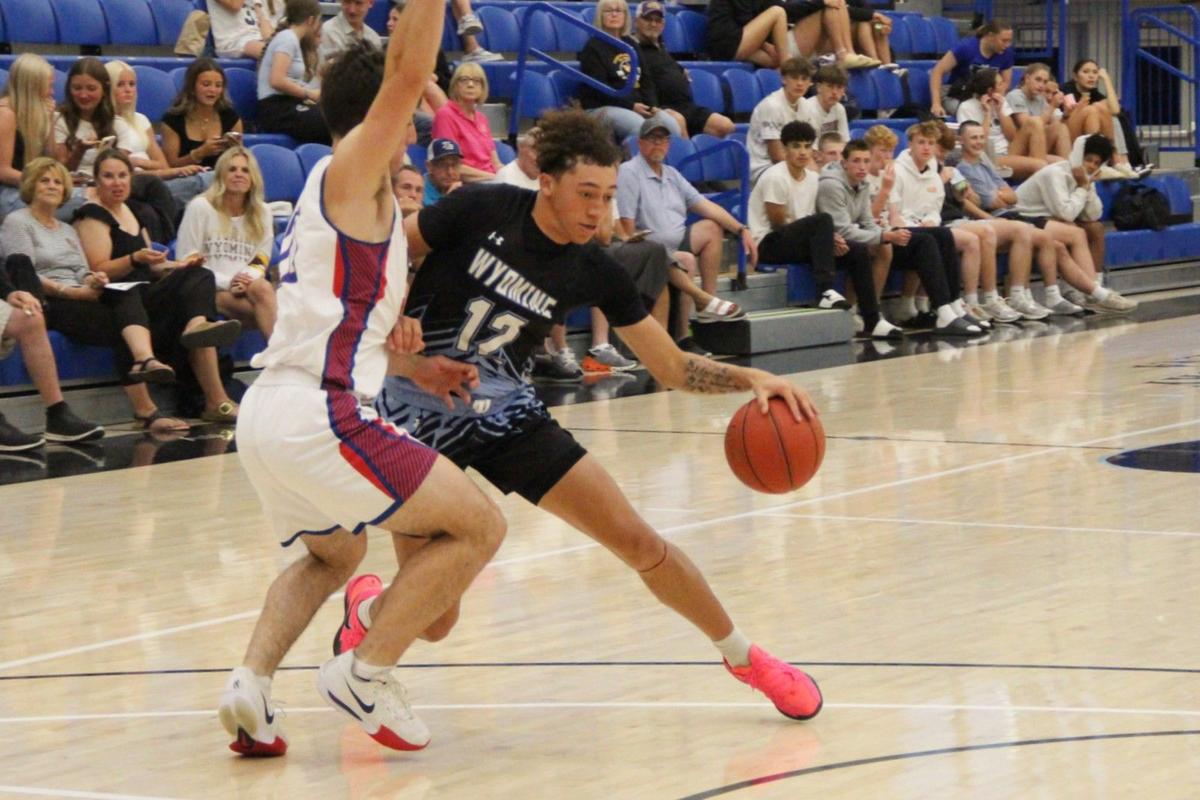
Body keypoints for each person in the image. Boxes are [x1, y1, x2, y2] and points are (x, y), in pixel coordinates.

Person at [361, 108, 823, 729]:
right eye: (586, 194)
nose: (598, 210)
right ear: (547, 182)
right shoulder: (482, 207)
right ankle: (369, 613)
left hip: (505, 414)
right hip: (415, 413)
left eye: (607, 196)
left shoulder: (593, 266)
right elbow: (381, 250)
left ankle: (747, 659)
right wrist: (389, 314)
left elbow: (670, 366)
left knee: (639, 541)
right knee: (437, 624)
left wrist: (752, 379)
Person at [217, 0, 507, 753]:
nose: (416, 124)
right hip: (321, 414)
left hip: (273, 412)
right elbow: (408, 72)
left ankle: (250, 685)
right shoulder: (353, 169)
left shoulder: (341, 190)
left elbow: (335, 321)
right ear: (382, 111)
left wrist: (412, 364)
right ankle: (365, 671)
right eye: (405, 110)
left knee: (334, 555)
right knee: (480, 526)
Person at [2, 157, 190, 432]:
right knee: (121, 324)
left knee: (125, 294)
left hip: (80, 293)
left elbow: (82, 270)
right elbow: (23, 273)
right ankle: (146, 409)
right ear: (30, 185)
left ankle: (144, 360)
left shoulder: (66, 229)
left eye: (57, 181)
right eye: (44, 180)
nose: (52, 186)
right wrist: (71, 292)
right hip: (48, 299)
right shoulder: (18, 222)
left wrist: (94, 279)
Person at [73, 150, 244, 424]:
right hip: (115, 296)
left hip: (144, 288)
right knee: (139, 294)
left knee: (200, 275)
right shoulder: (91, 215)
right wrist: (134, 258)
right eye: (108, 176)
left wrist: (178, 266)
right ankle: (193, 392)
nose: (117, 182)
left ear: (131, 178)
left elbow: (152, 265)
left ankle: (197, 330)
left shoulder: (134, 210)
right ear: (96, 181)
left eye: (122, 175)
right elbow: (99, 268)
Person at [750, 121, 899, 336]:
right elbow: (779, 224)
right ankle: (825, 291)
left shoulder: (813, 178)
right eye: (796, 146)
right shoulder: (775, 176)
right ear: (784, 149)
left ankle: (872, 319)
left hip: (803, 241)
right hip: (769, 244)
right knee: (823, 220)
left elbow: (814, 224)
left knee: (857, 250)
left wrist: (830, 238)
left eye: (807, 146)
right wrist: (825, 236)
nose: (802, 152)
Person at [618, 119, 750, 323]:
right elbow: (626, 226)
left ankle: (707, 306)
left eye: (663, 139)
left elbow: (706, 206)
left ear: (668, 144)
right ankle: (683, 331)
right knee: (684, 259)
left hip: (677, 239)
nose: (658, 144)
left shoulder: (672, 174)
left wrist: (741, 230)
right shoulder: (629, 171)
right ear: (640, 143)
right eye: (652, 139)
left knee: (711, 227)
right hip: (650, 246)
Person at [956, 120, 1076, 318]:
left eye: (981, 137)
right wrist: (999, 200)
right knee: (1031, 234)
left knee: (1056, 239)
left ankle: (1048, 295)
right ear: (961, 140)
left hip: (1009, 213)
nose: (979, 142)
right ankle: (1016, 297)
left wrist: (1002, 196)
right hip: (995, 218)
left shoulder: (984, 162)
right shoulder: (963, 168)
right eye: (973, 138)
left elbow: (1013, 196)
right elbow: (991, 201)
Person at [1013, 134, 1137, 314]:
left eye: (1096, 163)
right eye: (1088, 160)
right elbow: (1066, 213)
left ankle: (1093, 289)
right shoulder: (1054, 174)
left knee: (1094, 228)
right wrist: (1083, 188)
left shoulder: (1084, 178)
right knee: (1075, 233)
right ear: (1079, 157)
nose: (1091, 166)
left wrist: (1087, 186)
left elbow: (1093, 215)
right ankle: (1096, 293)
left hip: (1048, 218)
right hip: (1022, 217)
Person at [886, 122, 985, 335]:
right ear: (910, 144)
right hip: (898, 232)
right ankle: (942, 310)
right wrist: (918, 225)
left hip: (921, 229)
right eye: (921, 142)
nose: (926, 147)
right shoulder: (897, 170)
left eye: (931, 143)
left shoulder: (932, 169)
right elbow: (894, 215)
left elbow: (934, 207)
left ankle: (954, 303)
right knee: (929, 240)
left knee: (943, 234)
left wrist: (931, 220)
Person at [176, 147, 277, 338]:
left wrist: (246, 280)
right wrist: (229, 283)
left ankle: (278, 352)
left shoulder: (263, 211)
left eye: (245, 170)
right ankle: (281, 353)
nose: (239, 174)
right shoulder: (200, 207)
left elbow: (261, 257)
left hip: (247, 286)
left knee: (263, 287)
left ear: (253, 177)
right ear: (221, 175)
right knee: (272, 312)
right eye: (232, 169)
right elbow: (187, 258)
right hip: (209, 289)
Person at [105, 61, 212, 210]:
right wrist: (175, 171)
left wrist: (139, 162)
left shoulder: (141, 120)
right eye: (120, 84)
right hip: (134, 187)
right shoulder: (104, 124)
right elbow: (121, 173)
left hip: (157, 181)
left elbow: (162, 165)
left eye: (132, 84)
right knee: (207, 182)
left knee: (211, 179)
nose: (128, 90)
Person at [579, 0, 683, 143]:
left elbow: (646, 80)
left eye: (618, 11)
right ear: (600, 16)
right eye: (609, 11)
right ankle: (630, 157)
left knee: (671, 125)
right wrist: (631, 106)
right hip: (601, 107)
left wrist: (652, 106)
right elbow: (599, 89)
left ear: (625, 16)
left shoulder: (631, 43)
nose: (614, 14)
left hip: (635, 106)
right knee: (640, 126)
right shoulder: (593, 47)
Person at [633, 1, 735, 139]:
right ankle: (688, 152)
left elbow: (661, 66)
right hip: (661, 107)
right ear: (636, 21)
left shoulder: (661, 47)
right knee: (678, 121)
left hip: (686, 106)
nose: (653, 24)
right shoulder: (632, 48)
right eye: (648, 19)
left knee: (726, 126)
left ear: (663, 24)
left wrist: (678, 70)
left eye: (657, 20)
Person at [956, 68, 1054, 181]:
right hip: (990, 156)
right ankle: (1037, 177)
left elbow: (1012, 136)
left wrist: (1000, 112)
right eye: (1000, 84)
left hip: (1009, 150)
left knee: (1060, 163)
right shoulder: (966, 107)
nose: (1005, 86)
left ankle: (1037, 171)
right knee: (1041, 165)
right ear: (990, 90)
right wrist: (987, 113)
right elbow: (980, 142)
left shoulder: (1001, 102)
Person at [257, 0, 331, 145]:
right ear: (311, 20)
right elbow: (277, 80)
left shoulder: (291, 39)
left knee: (336, 116)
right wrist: (309, 94)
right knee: (329, 123)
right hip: (276, 108)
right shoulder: (287, 38)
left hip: (288, 103)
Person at [1061, 58, 1146, 177]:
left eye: (1095, 72)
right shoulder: (1066, 90)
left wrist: (1106, 79)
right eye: (1085, 72)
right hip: (1066, 134)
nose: (1091, 76)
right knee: (1093, 109)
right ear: (1075, 76)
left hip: (1088, 136)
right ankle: (1103, 162)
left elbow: (1115, 110)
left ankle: (1119, 161)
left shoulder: (1094, 93)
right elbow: (1068, 116)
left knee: (1108, 111)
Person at [0, 54, 57, 223]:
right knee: (86, 201)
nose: (52, 92)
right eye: (49, 86)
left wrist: (49, 120)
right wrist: (43, 183)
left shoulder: (31, 111)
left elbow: (51, 158)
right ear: (33, 86)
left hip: (26, 189)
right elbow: (2, 171)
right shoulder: (5, 114)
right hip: (7, 194)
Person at [162, 59, 245, 172]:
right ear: (192, 88)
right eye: (206, 84)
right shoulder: (173, 120)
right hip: (186, 179)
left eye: (218, 85)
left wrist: (235, 151)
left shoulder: (231, 118)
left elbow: (239, 163)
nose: (212, 90)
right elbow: (170, 166)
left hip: (221, 178)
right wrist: (199, 153)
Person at [747, 57, 816, 184]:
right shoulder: (772, 106)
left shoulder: (806, 106)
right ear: (783, 79)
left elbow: (809, 148)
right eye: (794, 78)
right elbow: (777, 156)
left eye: (804, 79)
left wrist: (816, 174)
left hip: (793, 163)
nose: (799, 83)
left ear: (810, 82)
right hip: (763, 167)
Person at [930, 20, 1014, 118]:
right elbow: (937, 71)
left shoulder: (1006, 53)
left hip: (986, 96)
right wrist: (936, 103)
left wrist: (996, 99)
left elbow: (1005, 82)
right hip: (957, 95)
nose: (1007, 45)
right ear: (990, 35)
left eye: (1009, 41)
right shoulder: (965, 48)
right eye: (1004, 40)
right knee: (972, 112)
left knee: (1008, 113)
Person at [431, 63, 500, 181]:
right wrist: (493, 178)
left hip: (490, 179)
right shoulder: (445, 115)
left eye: (476, 81)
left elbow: (495, 162)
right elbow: (450, 166)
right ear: (455, 85)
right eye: (464, 80)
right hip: (468, 182)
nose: (470, 84)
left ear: (483, 87)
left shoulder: (482, 118)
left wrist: (507, 176)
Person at [785, 0, 880, 69]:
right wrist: (822, 3)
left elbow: (865, 8)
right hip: (785, 46)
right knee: (831, 6)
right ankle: (842, 54)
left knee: (869, 23)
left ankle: (877, 64)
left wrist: (871, 15)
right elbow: (787, 10)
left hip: (812, 44)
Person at [1005, 63, 1071, 161]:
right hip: (1018, 147)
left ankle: (1068, 165)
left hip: (1036, 142)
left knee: (1061, 127)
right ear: (1027, 78)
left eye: (1045, 82)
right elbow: (1029, 126)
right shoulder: (1015, 96)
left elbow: (1055, 121)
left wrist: (1066, 114)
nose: (1041, 85)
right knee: (1035, 122)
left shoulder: (1039, 98)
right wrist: (1052, 106)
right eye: (1038, 80)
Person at [703, 0, 790, 68]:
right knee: (778, 12)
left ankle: (786, 76)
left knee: (777, 60)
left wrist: (766, 46)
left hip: (738, 42)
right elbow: (743, 21)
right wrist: (766, 46)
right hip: (725, 43)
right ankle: (788, 71)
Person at [207, 0, 271, 60]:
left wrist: (271, 41)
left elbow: (265, 25)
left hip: (255, 37)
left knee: (275, 47)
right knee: (272, 52)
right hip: (233, 41)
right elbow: (235, 5)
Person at [804, 65, 851, 143]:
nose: (834, 92)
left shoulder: (840, 109)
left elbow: (844, 140)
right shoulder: (807, 108)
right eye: (830, 86)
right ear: (819, 87)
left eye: (839, 87)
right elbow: (808, 144)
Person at [423, 138, 464, 206]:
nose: (450, 172)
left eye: (455, 165)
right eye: (442, 165)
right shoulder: (418, 189)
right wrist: (449, 199)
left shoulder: (464, 191)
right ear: (429, 166)